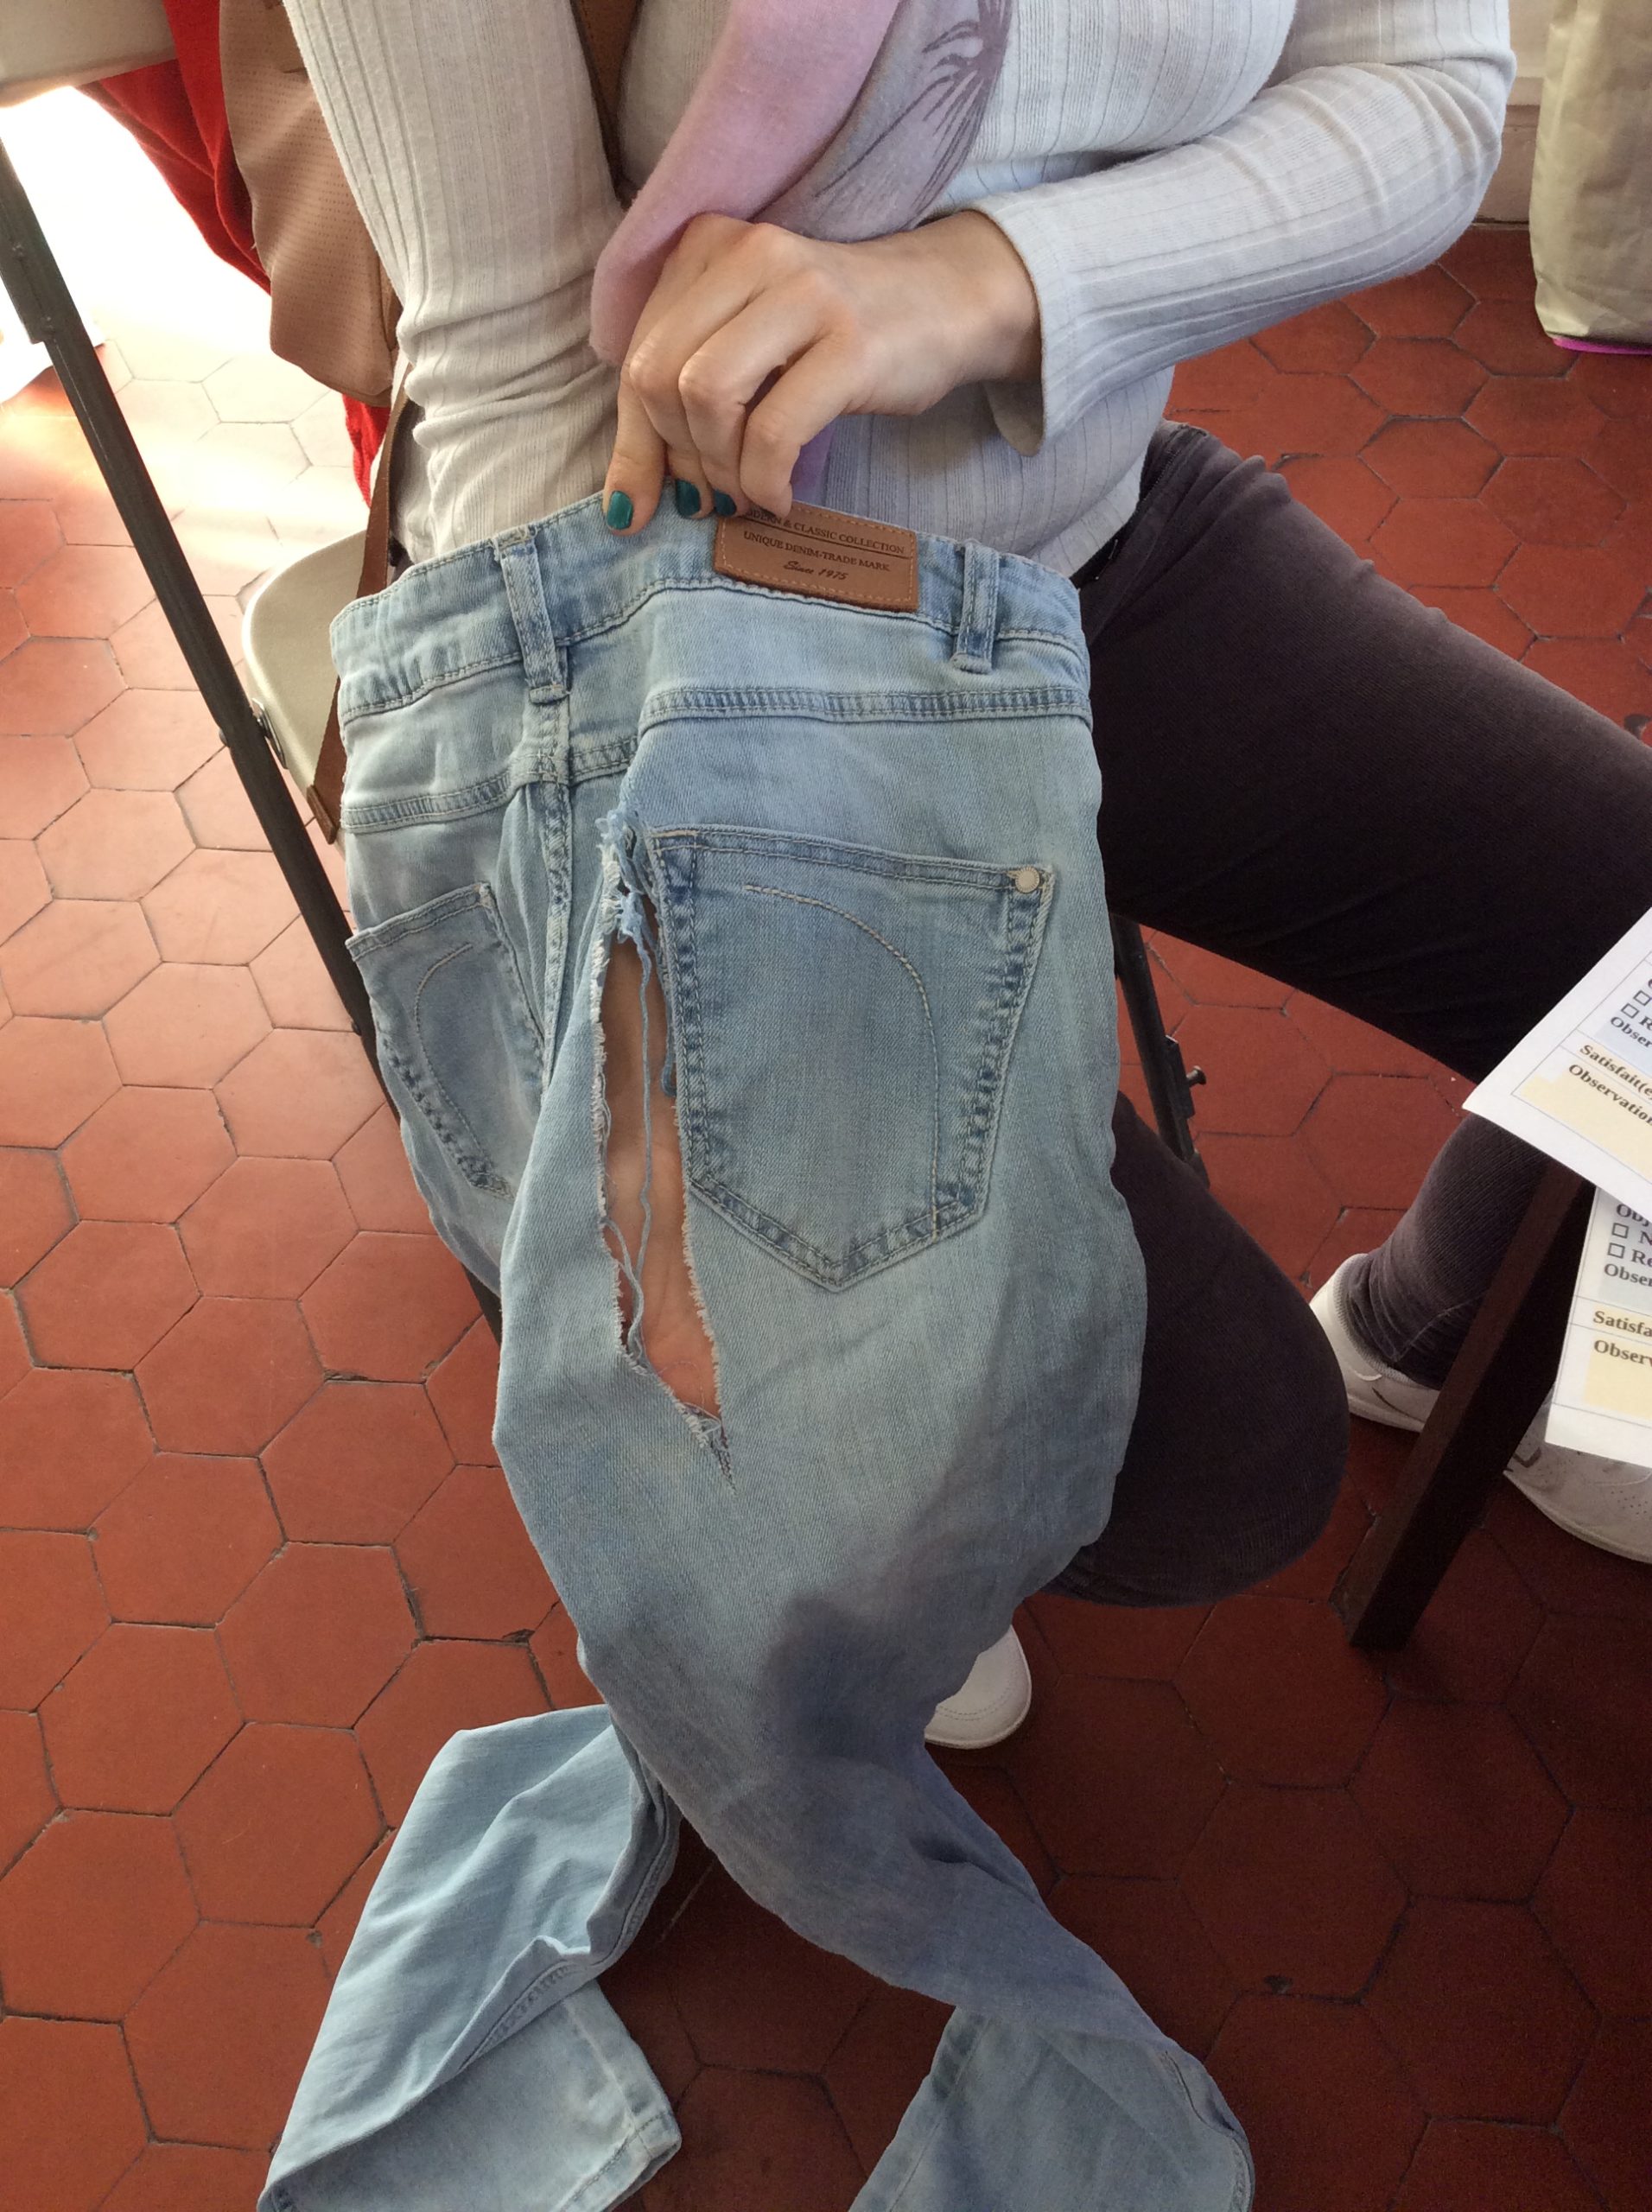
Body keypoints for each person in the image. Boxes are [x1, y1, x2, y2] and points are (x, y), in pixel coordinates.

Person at [263, 3, 1650, 2206]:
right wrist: (758, 859)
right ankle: (856, 1484)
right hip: (693, 612)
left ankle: (1414, 1323)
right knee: (1203, 1467)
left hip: (1081, 530)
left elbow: (1416, 89)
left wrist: (979, 284)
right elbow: (519, 372)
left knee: (1623, 930)